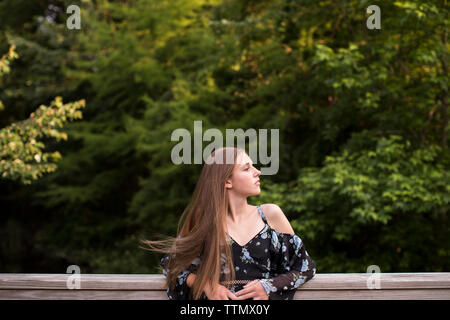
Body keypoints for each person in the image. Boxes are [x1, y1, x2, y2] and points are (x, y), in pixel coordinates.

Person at [141, 147, 316, 300]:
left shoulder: (270, 215)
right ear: (227, 181)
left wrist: (270, 286)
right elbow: (171, 265)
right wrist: (206, 285)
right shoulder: (204, 220)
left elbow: (304, 267)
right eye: (247, 168)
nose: (258, 172)